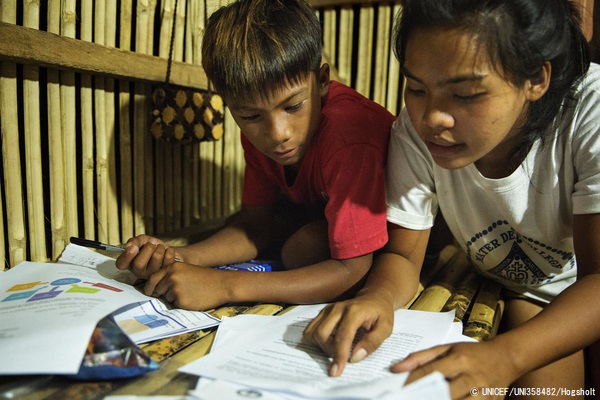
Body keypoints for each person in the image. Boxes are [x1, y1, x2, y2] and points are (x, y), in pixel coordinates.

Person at [303, 0, 600, 398]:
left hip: (569, 294)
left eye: (465, 95)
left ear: (535, 78)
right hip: (495, 282)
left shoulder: (589, 115)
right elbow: (404, 256)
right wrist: (378, 297)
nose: (432, 118)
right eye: (416, 88)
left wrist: (504, 358)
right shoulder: (414, 132)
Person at [115, 0, 395, 311]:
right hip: (325, 226)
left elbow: (351, 271)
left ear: (323, 80)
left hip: (394, 250)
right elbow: (254, 225)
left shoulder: (348, 137)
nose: (277, 134)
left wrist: (223, 286)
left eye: (293, 106)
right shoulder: (263, 134)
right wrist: (179, 256)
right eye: (250, 116)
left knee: (305, 248)